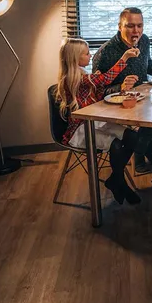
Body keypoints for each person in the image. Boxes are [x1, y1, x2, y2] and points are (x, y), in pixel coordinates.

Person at [56, 37, 141, 205]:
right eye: (86, 54)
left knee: (132, 136)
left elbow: (98, 90)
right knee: (116, 144)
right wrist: (124, 58)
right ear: (75, 58)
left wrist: (102, 83)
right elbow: (105, 80)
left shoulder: (84, 76)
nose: (90, 55)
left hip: (94, 123)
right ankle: (120, 183)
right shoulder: (72, 78)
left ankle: (116, 179)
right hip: (80, 130)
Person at [93, 7, 152, 173]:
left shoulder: (144, 40)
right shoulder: (105, 52)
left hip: (142, 97)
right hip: (117, 105)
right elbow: (96, 91)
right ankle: (139, 156)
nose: (136, 31)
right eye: (130, 26)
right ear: (120, 26)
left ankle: (146, 150)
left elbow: (148, 64)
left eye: (140, 26)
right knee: (151, 122)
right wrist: (120, 87)